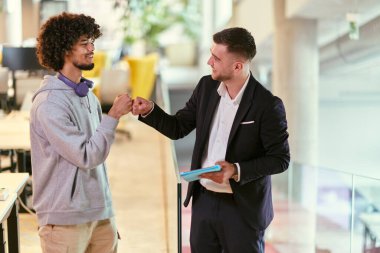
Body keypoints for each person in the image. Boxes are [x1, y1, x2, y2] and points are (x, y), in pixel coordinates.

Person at [132, 27, 290, 253]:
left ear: (237, 66)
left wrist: (235, 170)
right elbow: (179, 127)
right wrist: (149, 111)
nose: (209, 61)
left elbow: (280, 159)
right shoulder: (206, 87)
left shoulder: (268, 105)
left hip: (243, 208)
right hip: (204, 201)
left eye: (216, 58)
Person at [30, 12, 132, 253]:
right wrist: (114, 115)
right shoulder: (50, 103)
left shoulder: (87, 96)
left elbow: (99, 163)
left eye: (92, 42)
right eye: (84, 43)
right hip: (65, 220)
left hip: (99, 214)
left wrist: (106, 209)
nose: (91, 48)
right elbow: (87, 155)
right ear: (65, 49)